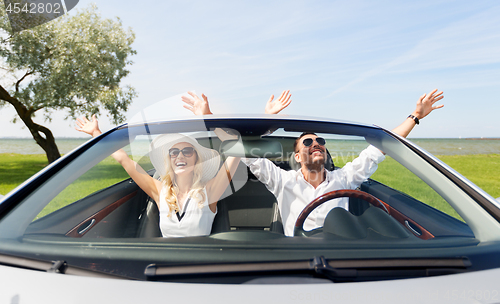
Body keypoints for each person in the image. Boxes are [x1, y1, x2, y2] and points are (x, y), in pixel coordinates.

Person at [183, 89, 444, 236]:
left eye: (319, 140)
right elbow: (244, 149)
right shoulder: (282, 180)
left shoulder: (345, 178)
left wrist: (416, 116)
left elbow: (380, 147)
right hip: (296, 256)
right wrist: (208, 117)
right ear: (297, 156)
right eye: (307, 143)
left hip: (341, 253)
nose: (315, 143)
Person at [75, 115, 240, 238]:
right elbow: (124, 160)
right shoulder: (160, 190)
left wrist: (209, 118)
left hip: (198, 267)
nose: (180, 156)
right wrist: (96, 133)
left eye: (187, 151)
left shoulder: (210, 191)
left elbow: (236, 150)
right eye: (174, 152)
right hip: (163, 266)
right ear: (170, 159)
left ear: (196, 159)